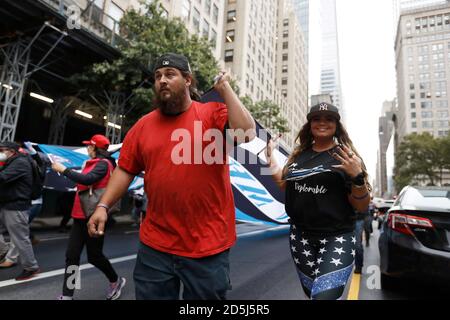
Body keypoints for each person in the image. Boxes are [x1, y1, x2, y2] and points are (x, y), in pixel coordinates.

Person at [87, 53, 256, 300]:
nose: (162, 81)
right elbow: (125, 169)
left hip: (206, 247)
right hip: (155, 245)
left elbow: (247, 133)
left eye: (170, 74)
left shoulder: (211, 114)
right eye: (157, 76)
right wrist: (103, 205)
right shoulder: (142, 126)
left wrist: (225, 88)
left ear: (188, 80)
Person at [265, 102, 371, 300]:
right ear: (310, 124)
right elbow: (283, 185)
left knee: (322, 297)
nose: (322, 123)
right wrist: (270, 160)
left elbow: (362, 205)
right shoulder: (298, 156)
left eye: (329, 119)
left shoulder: (347, 157)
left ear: (337, 125)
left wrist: (357, 178)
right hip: (300, 237)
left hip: (336, 237)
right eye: (317, 119)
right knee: (312, 293)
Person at [51, 134, 126, 300]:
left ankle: (116, 281)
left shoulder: (104, 164)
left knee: (94, 256)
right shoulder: (90, 163)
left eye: (89, 146)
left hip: (94, 217)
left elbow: (87, 179)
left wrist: (64, 170)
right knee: (72, 255)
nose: (87, 148)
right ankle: (67, 295)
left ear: (95, 148)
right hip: (79, 216)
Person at [0, 141, 40, 280]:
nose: (1, 153)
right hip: (7, 203)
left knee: (20, 239)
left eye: (2, 150)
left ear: (11, 151)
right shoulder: (13, 161)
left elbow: (2, 177)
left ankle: (31, 267)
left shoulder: (20, 163)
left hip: (16, 206)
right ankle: (4, 251)